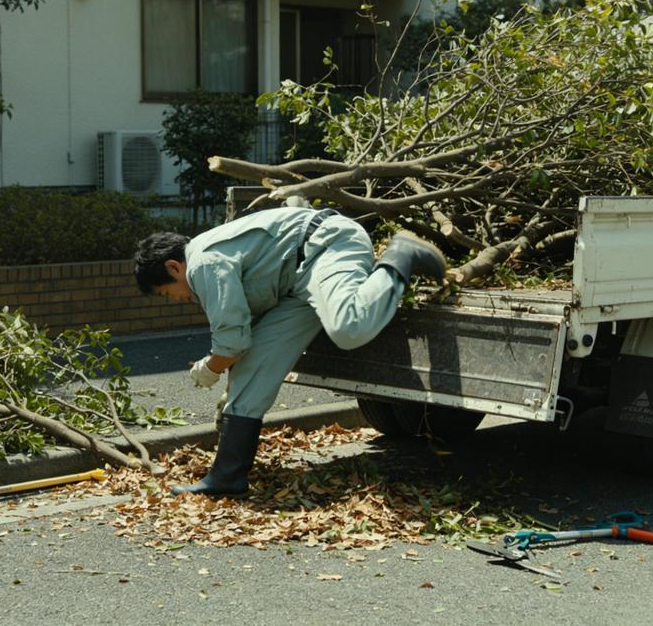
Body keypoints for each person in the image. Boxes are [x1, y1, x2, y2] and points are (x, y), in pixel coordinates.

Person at [133, 207, 446, 496]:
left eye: (166, 293)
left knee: (349, 327)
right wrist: (233, 393)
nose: (174, 299)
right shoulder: (207, 260)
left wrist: (209, 368)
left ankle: (399, 256)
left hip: (328, 245)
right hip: (295, 283)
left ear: (173, 267)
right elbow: (244, 338)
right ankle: (227, 476)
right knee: (252, 363)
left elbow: (231, 344)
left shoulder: (204, 263)